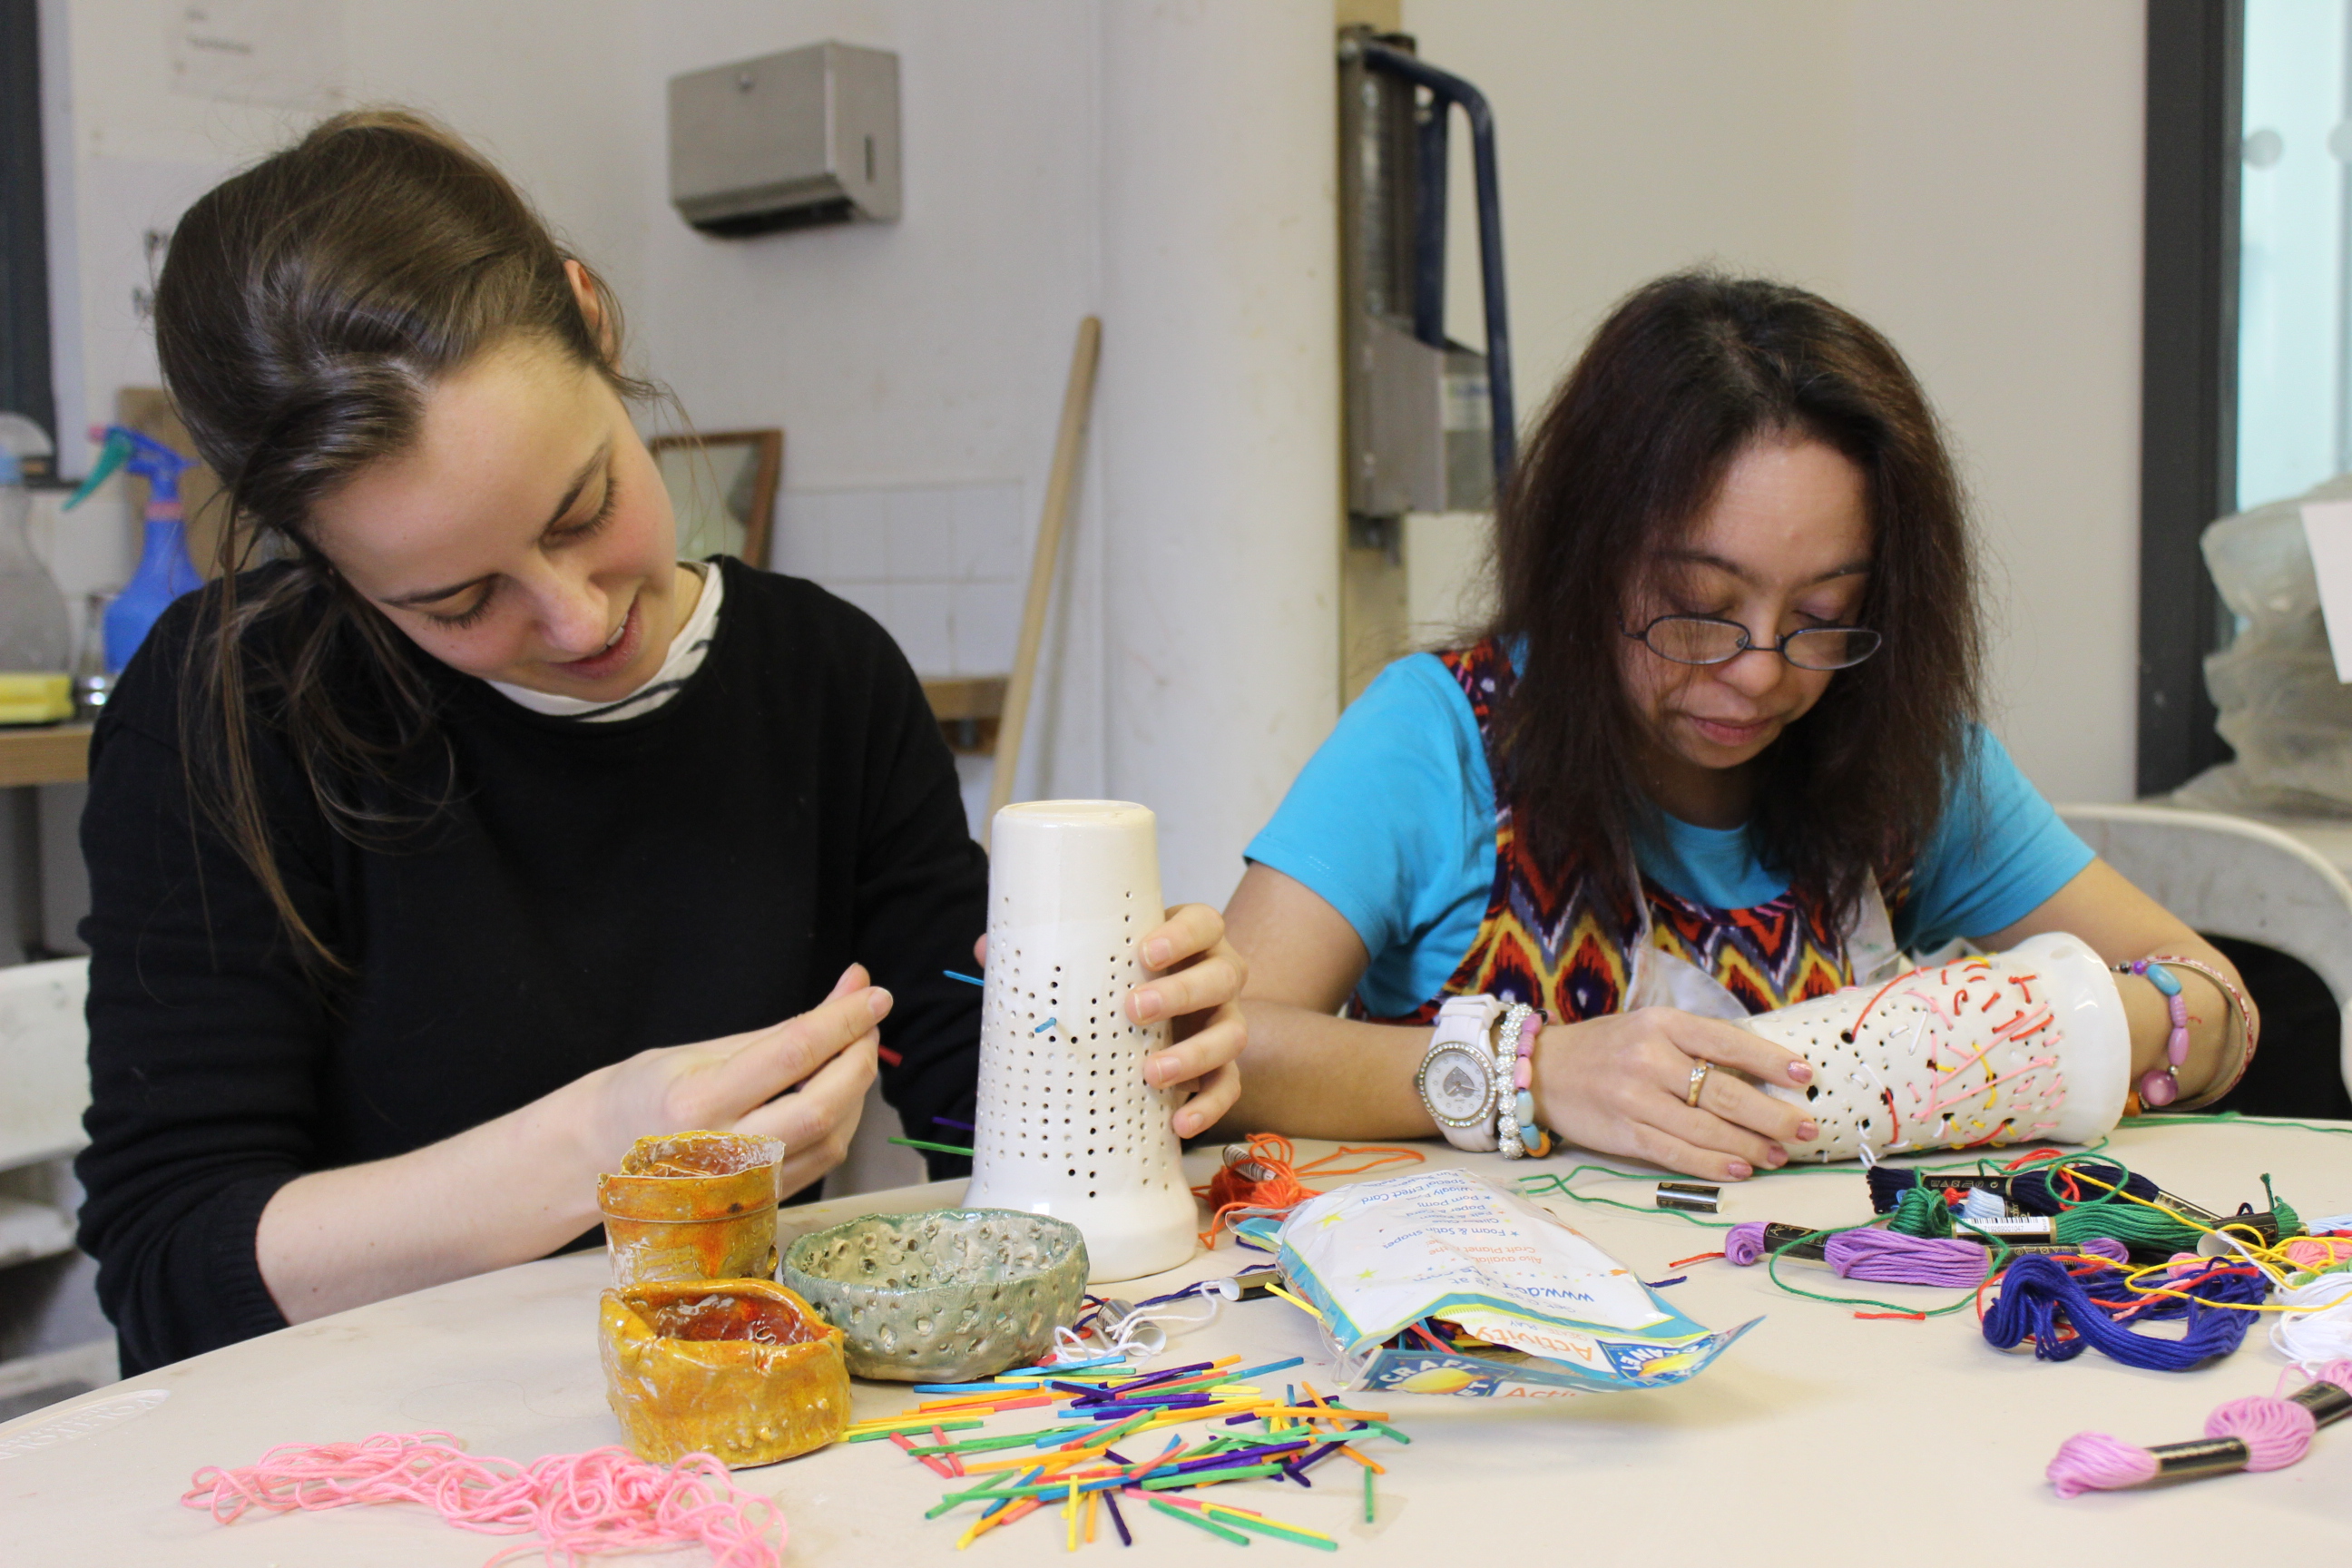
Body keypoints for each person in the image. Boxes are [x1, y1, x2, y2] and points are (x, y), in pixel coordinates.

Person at [74, 111, 1245, 1375]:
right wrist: (595, 1155)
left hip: (732, 1436)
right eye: (458, 603)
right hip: (372, 1450)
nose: (577, 617)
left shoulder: (820, 677)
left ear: (591, 319)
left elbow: (977, 1124)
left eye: (584, 508)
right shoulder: (225, 706)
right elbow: (172, 1270)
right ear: (324, 555)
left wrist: (1128, 1058)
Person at [1219, 273, 2256, 1178]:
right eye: (1702, 608)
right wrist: (1531, 1071)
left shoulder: (1902, 761)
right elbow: (1224, 1048)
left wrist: (2014, 1037)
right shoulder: (1442, 740)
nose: (1759, 671)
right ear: (1589, 560)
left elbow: (2212, 997)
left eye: (1820, 617)